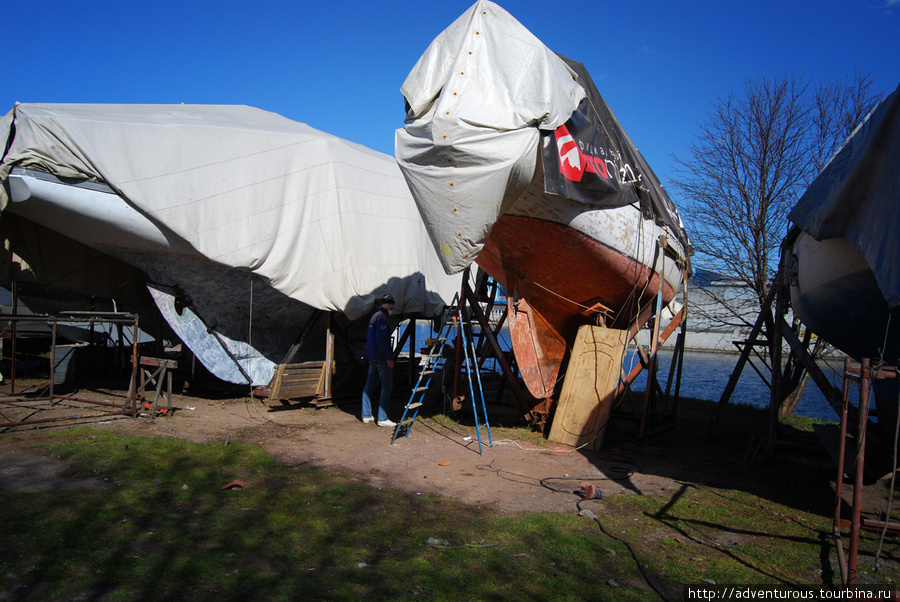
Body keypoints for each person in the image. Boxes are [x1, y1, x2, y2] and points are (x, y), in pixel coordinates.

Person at [361, 294, 397, 427]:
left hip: (372, 357)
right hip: (381, 358)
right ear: (388, 304)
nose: (393, 307)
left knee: (369, 386)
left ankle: (366, 414)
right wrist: (389, 359)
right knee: (387, 386)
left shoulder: (375, 316)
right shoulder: (382, 318)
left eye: (393, 304)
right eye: (391, 304)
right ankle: (382, 417)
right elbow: (383, 341)